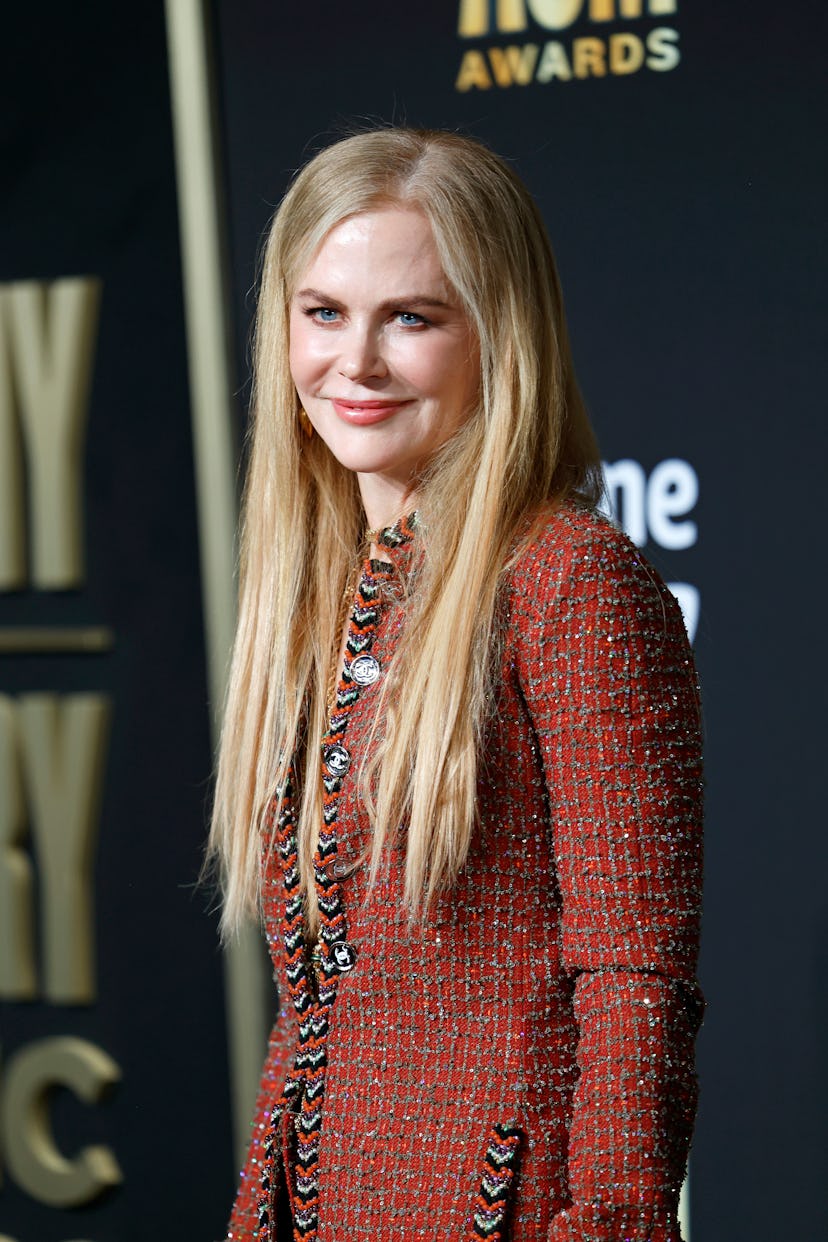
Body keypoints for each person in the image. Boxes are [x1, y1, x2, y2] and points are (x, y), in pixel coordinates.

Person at [210, 128, 704, 1242]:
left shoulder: (571, 579)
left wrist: (616, 1224)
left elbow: (634, 977)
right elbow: (318, 1012)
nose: (357, 363)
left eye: (412, 319)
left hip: (496, 1211)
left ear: (500, 335)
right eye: (323, 312)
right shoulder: (318, 591)